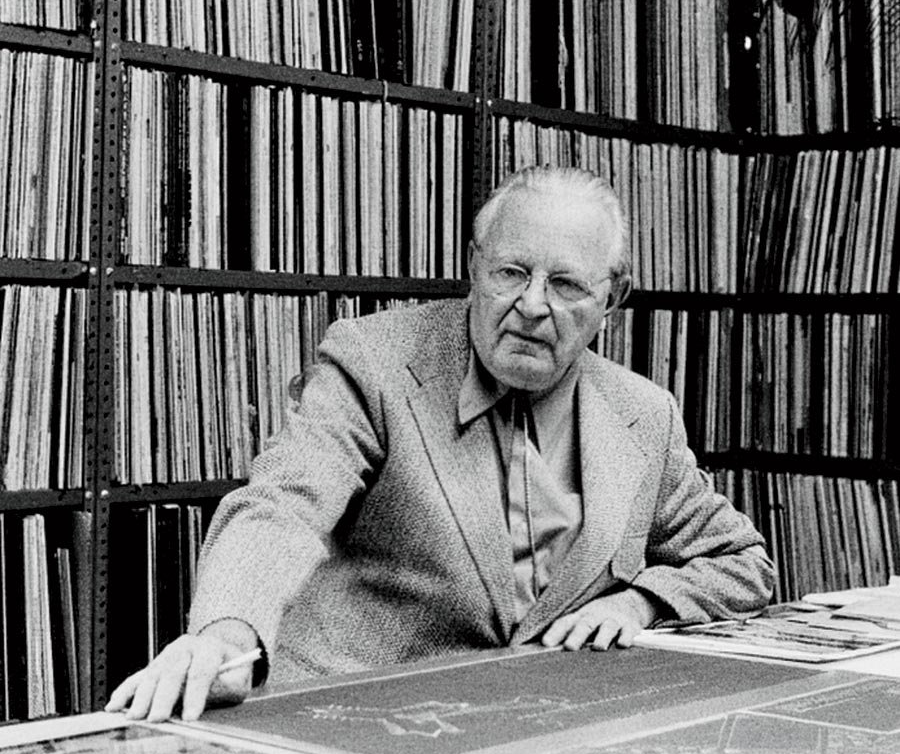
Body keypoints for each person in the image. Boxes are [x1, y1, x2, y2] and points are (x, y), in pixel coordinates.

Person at [107, 165, 774, 722]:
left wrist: (641, 601)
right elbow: (283, 501)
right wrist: (227, 633)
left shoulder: (643, 415)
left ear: (613, 298)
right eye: (511, 272)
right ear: (474, 267)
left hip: (529, 749)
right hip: (353, 741)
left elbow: (740, 561)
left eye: (566, 284)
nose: (532, 304)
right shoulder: (374, 361)